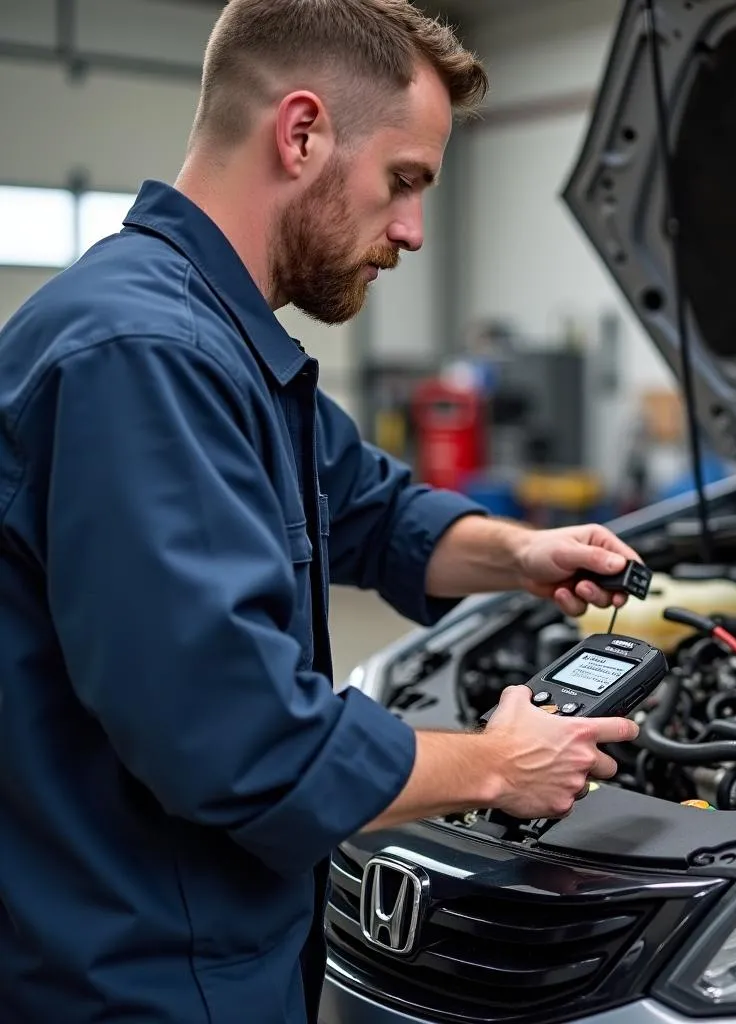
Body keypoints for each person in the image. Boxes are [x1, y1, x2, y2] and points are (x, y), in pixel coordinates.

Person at [0, 2, 644, 1022]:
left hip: (209, 950)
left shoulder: (222, 345)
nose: (412, 231)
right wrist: (496, 765)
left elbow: (370, 511)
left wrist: (522, 551)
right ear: (300, 133)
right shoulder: (143, 355)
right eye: (404, 181)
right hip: (137, 976)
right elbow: (239, 739)